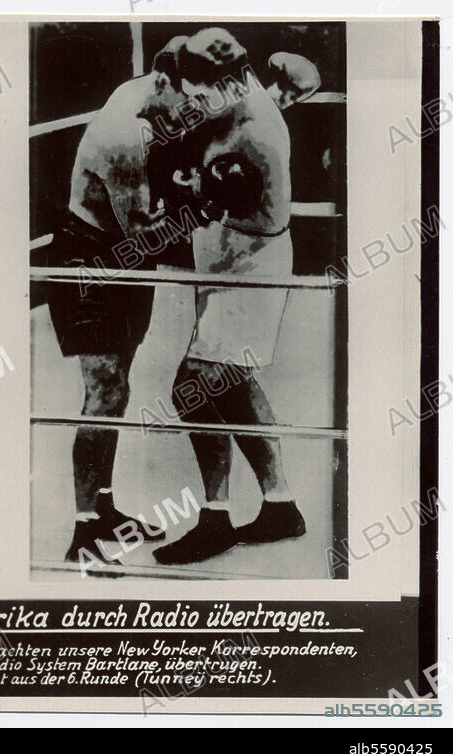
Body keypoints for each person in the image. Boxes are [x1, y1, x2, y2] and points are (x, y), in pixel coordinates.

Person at [151, 29, 306, 566]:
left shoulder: (252, 130)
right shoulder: (241, 97)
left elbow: (237, 201)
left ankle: (214, 518)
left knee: (191, 386)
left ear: (227, 80)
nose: (193, 98)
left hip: (249, 264)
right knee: (235, 382)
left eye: (200, 88)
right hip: (230, 259)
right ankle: (280, 505)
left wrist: (191, 188)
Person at [49, 39, 200, 565]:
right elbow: (144, 233)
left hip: (122, 258)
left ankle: (104, 509)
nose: (190, 116)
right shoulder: (124, 130)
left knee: (120, 388)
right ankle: (82, 533)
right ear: (163, 82)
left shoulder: (144, 97)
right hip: (88, 260)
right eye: (187, 103)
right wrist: (199, 204)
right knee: (104, 390)